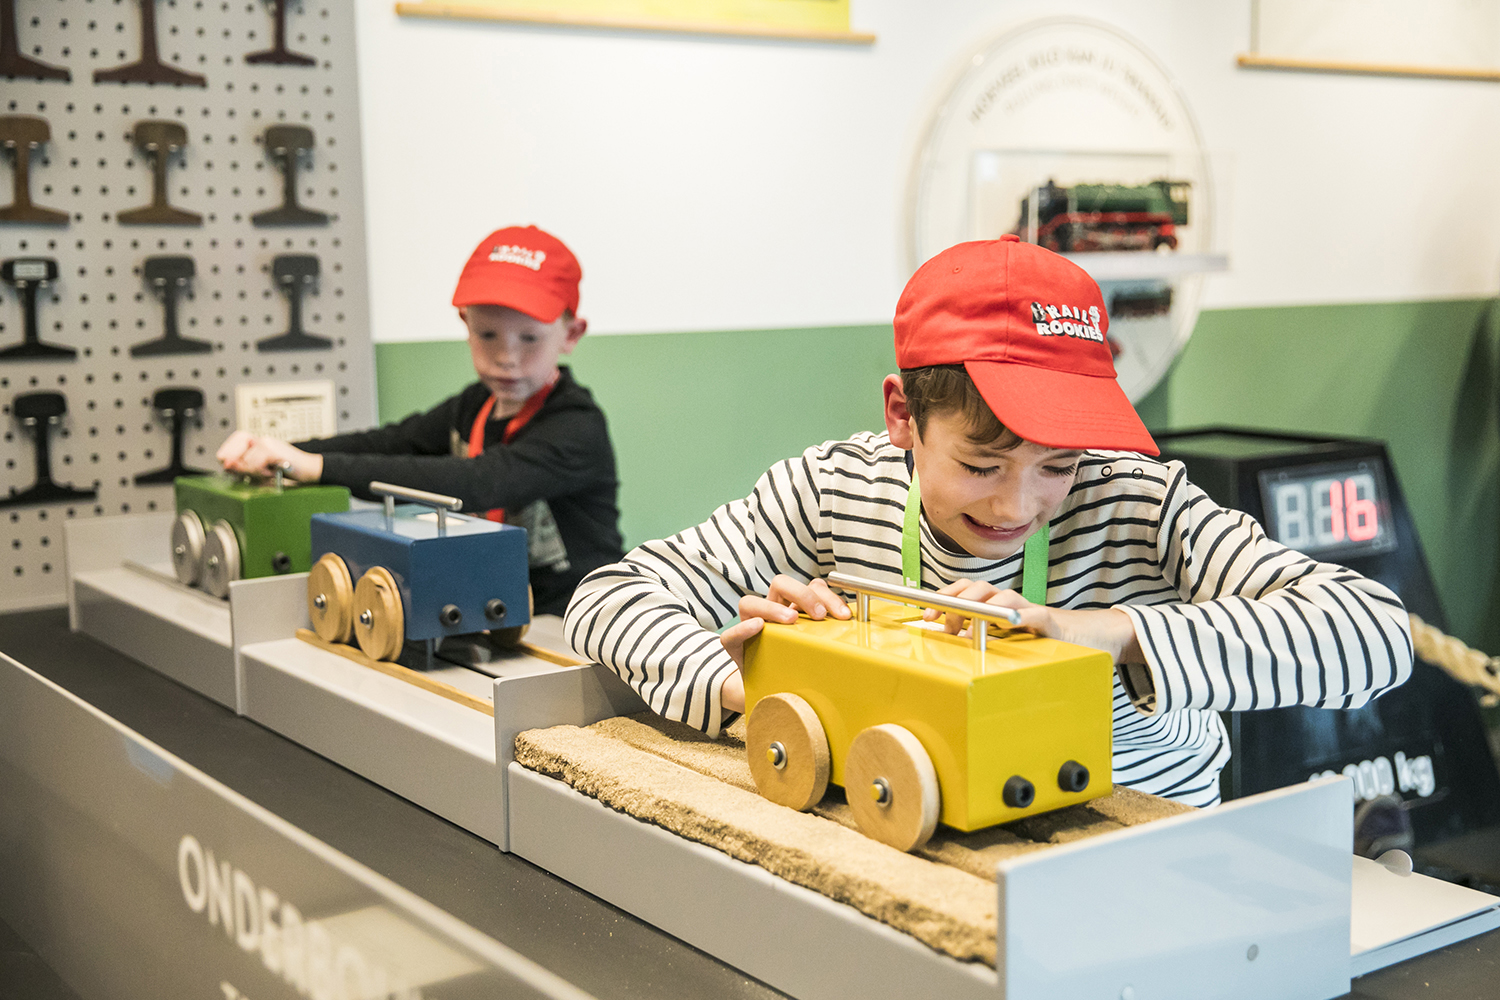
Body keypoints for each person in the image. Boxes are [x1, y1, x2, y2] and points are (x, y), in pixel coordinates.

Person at [562, 234, 1412, 806]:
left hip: (1136, 832)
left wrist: (1110, 635)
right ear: (904, 416)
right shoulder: (830, 489)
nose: (1017, 505)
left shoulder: (1138, 501)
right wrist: (759, 685)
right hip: (908, 834)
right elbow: (609, 596)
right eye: (979, 465)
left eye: (1058, 464)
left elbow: (1375, 635)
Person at [218, 225, 623, 617]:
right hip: (499, 608)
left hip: (580, 619)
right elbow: (395, 442)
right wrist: (281, 452)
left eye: (529, 338)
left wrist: (316, 468)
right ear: (466, 326)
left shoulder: (576, 426)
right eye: (488, 335)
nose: (506, 356)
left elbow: (479, 482)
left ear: (571, 334)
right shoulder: (476, 404)